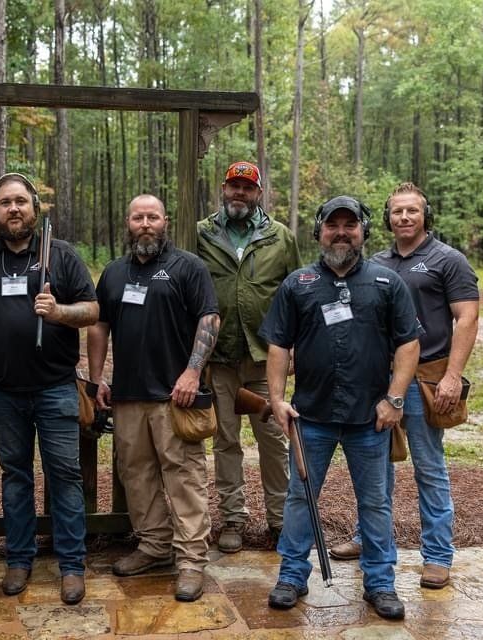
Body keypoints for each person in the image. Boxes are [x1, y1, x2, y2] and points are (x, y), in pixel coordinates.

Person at [259, 196, 420, 620]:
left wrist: (395, 399)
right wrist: (276, 399)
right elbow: (278, 344)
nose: (342, 232)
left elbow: (408, 344)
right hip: (310, 417)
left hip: (371, 419)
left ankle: (380, 583)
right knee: (300, 499)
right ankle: (292, 577)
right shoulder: (298, 283)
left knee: (376, 503)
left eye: (351, 225)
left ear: (364, 232)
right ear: (319, 231)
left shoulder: (387, 284)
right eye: (333, 225)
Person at [329, 182, 479, 590]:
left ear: (425, 215)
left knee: (428, 466)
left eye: (412, 211)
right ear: (387, 218)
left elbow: (467, 318)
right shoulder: (377, 261)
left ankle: (437, 556)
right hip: (380, 378)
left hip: (427, 376)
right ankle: (369, 538)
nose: (404, 218)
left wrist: (452, 376)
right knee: (376, 465)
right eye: (397, 212)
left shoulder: (448, 260)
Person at [0, 173, 97, 605]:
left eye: (21, 201)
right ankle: (18, 558)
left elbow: (93, 310)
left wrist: (59, 311)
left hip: (55, 387)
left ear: (35, 208)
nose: (14, 209)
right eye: (5, 202)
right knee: (16, 476)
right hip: (2, 390)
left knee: (64, 476)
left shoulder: (61, 255)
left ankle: (72, 565)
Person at [87, 194, 220, 602]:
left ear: (166, 221)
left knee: (183, 476)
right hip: (127, 396)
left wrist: (192, 372)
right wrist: (97, 379)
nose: (145, 224)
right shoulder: (113, 272)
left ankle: (191, 560)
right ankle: (154, 546)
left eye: (153, 217)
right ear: (127, 222)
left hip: (173, 397)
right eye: (138, 217)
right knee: (137, 475)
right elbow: (99, 326)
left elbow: (209, 318)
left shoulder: (187, 267)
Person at [196, 160, 300, 552]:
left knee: (274, 440)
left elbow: (296, 294)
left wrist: (297, 350)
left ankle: (280, 520)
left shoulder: (280, 237)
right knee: (225, 441)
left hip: (265, 357)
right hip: (219, 356)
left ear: (259, 193)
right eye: (233, 186)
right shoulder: (202, 234)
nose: (239, 193)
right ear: (223, 189)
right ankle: (233, 520)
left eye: (247, 187)